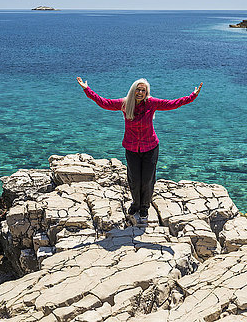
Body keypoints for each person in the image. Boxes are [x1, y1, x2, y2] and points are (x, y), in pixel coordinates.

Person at [76, 76, 202, 220]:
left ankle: (144, 207)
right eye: (138, 89)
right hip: (131, 148)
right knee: (134, 179)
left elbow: (173, 104)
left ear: (146, 92)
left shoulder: (152, 103)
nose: (140, 92)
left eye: (143, 90)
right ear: (133, 90)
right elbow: (104, 103)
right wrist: (87, 89)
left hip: (151, 147)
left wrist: (192, 96)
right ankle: (136, 204)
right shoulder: (125, 103)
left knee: (148, 180)